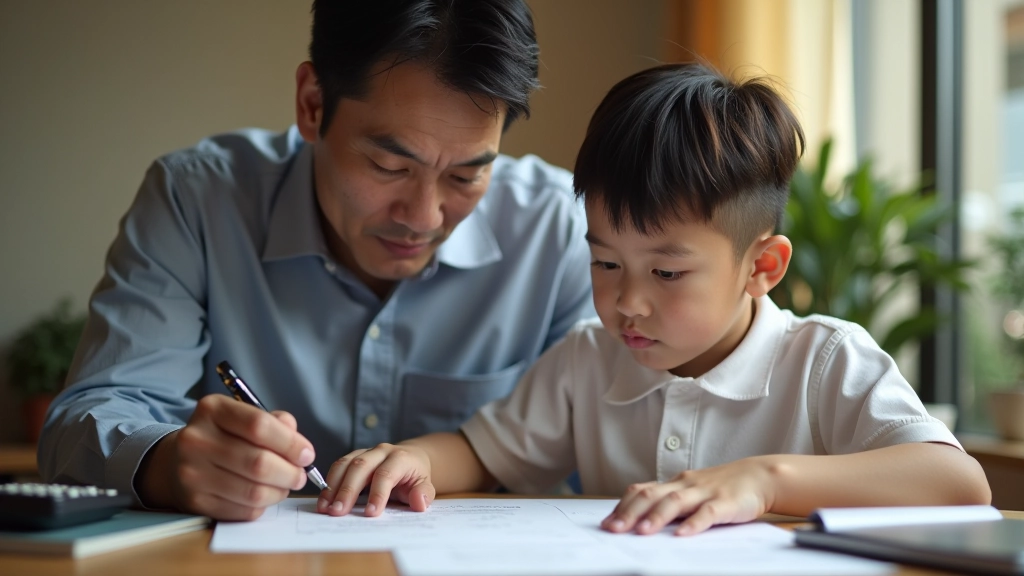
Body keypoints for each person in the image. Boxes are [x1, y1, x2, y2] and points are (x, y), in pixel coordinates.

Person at [316, 62, 992, 535]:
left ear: (762, 266)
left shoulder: (823, 361)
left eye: (667, 273)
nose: (626, 302)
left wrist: (764, 481)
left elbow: (957, 484)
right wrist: (414, 460)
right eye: (605, 260)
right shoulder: (590, 358)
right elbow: (484, 453)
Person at [38, 0, 595, 522]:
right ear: (312, 104)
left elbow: (620, 428)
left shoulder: (562, 230)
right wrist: (166, 462)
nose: (424, 217)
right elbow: (87, 418)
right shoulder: (198, 201)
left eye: (466, 175)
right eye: (388, 166)